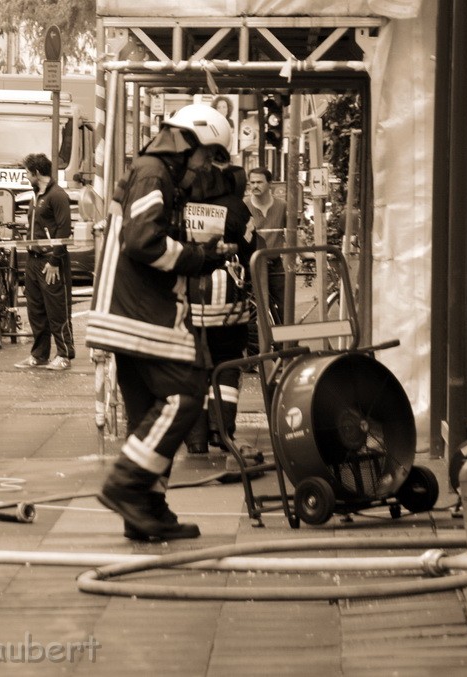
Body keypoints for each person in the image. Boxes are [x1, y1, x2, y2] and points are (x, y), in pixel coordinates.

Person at [86, 103, 236, 541]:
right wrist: (198, 257)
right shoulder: (154, 173)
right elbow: (143, 241)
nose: (205, 166)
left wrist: (198, 249)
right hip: (141, 313)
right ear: (188, 144)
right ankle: (126, 485)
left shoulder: (152, 171)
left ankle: (146, 509)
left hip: (126, 310)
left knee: (146, 417)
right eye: (206, 156)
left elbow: (141, 233)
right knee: (186, 393)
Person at [184, 165, 257, 456]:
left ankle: (196, 438)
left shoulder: (185, 206)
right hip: (227, 299)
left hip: (190, 296)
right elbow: (252, 248)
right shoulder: (236, 207)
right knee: (227, 363)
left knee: (194, 367)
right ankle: (222, 430)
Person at [15, 153, 75, 371]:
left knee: (57, 308)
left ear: (37, 173)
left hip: (50, 261)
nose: (25, 176)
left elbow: (64, 229)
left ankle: (64, 354)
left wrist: (55, 260)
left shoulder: (57, 195)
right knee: (36, 309)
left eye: (27, 172)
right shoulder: (35, 195)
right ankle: (39, 354)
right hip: (34, 259)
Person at [245, 167, 287, 322]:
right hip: (251, 264)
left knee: (283, 306)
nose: (255, 186)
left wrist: (308, 254)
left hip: (275, 263)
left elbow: (291, 233)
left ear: (270, 184)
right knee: (252, 308)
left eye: (259, 182)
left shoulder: (282, 206)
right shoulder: (244, 205)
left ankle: (285, 342)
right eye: (252, 182)